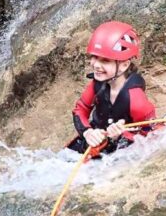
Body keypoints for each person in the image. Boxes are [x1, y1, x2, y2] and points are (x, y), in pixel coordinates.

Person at [66, 21, 161, 158]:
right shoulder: (97, 84)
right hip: (94, 143)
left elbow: (152, 134)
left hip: (121, 153)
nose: (96, 65)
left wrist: (122, 136)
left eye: (105, 60)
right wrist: (88, 132)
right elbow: (80, 109)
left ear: (124, 65)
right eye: (94, 57)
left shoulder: (136, 100)